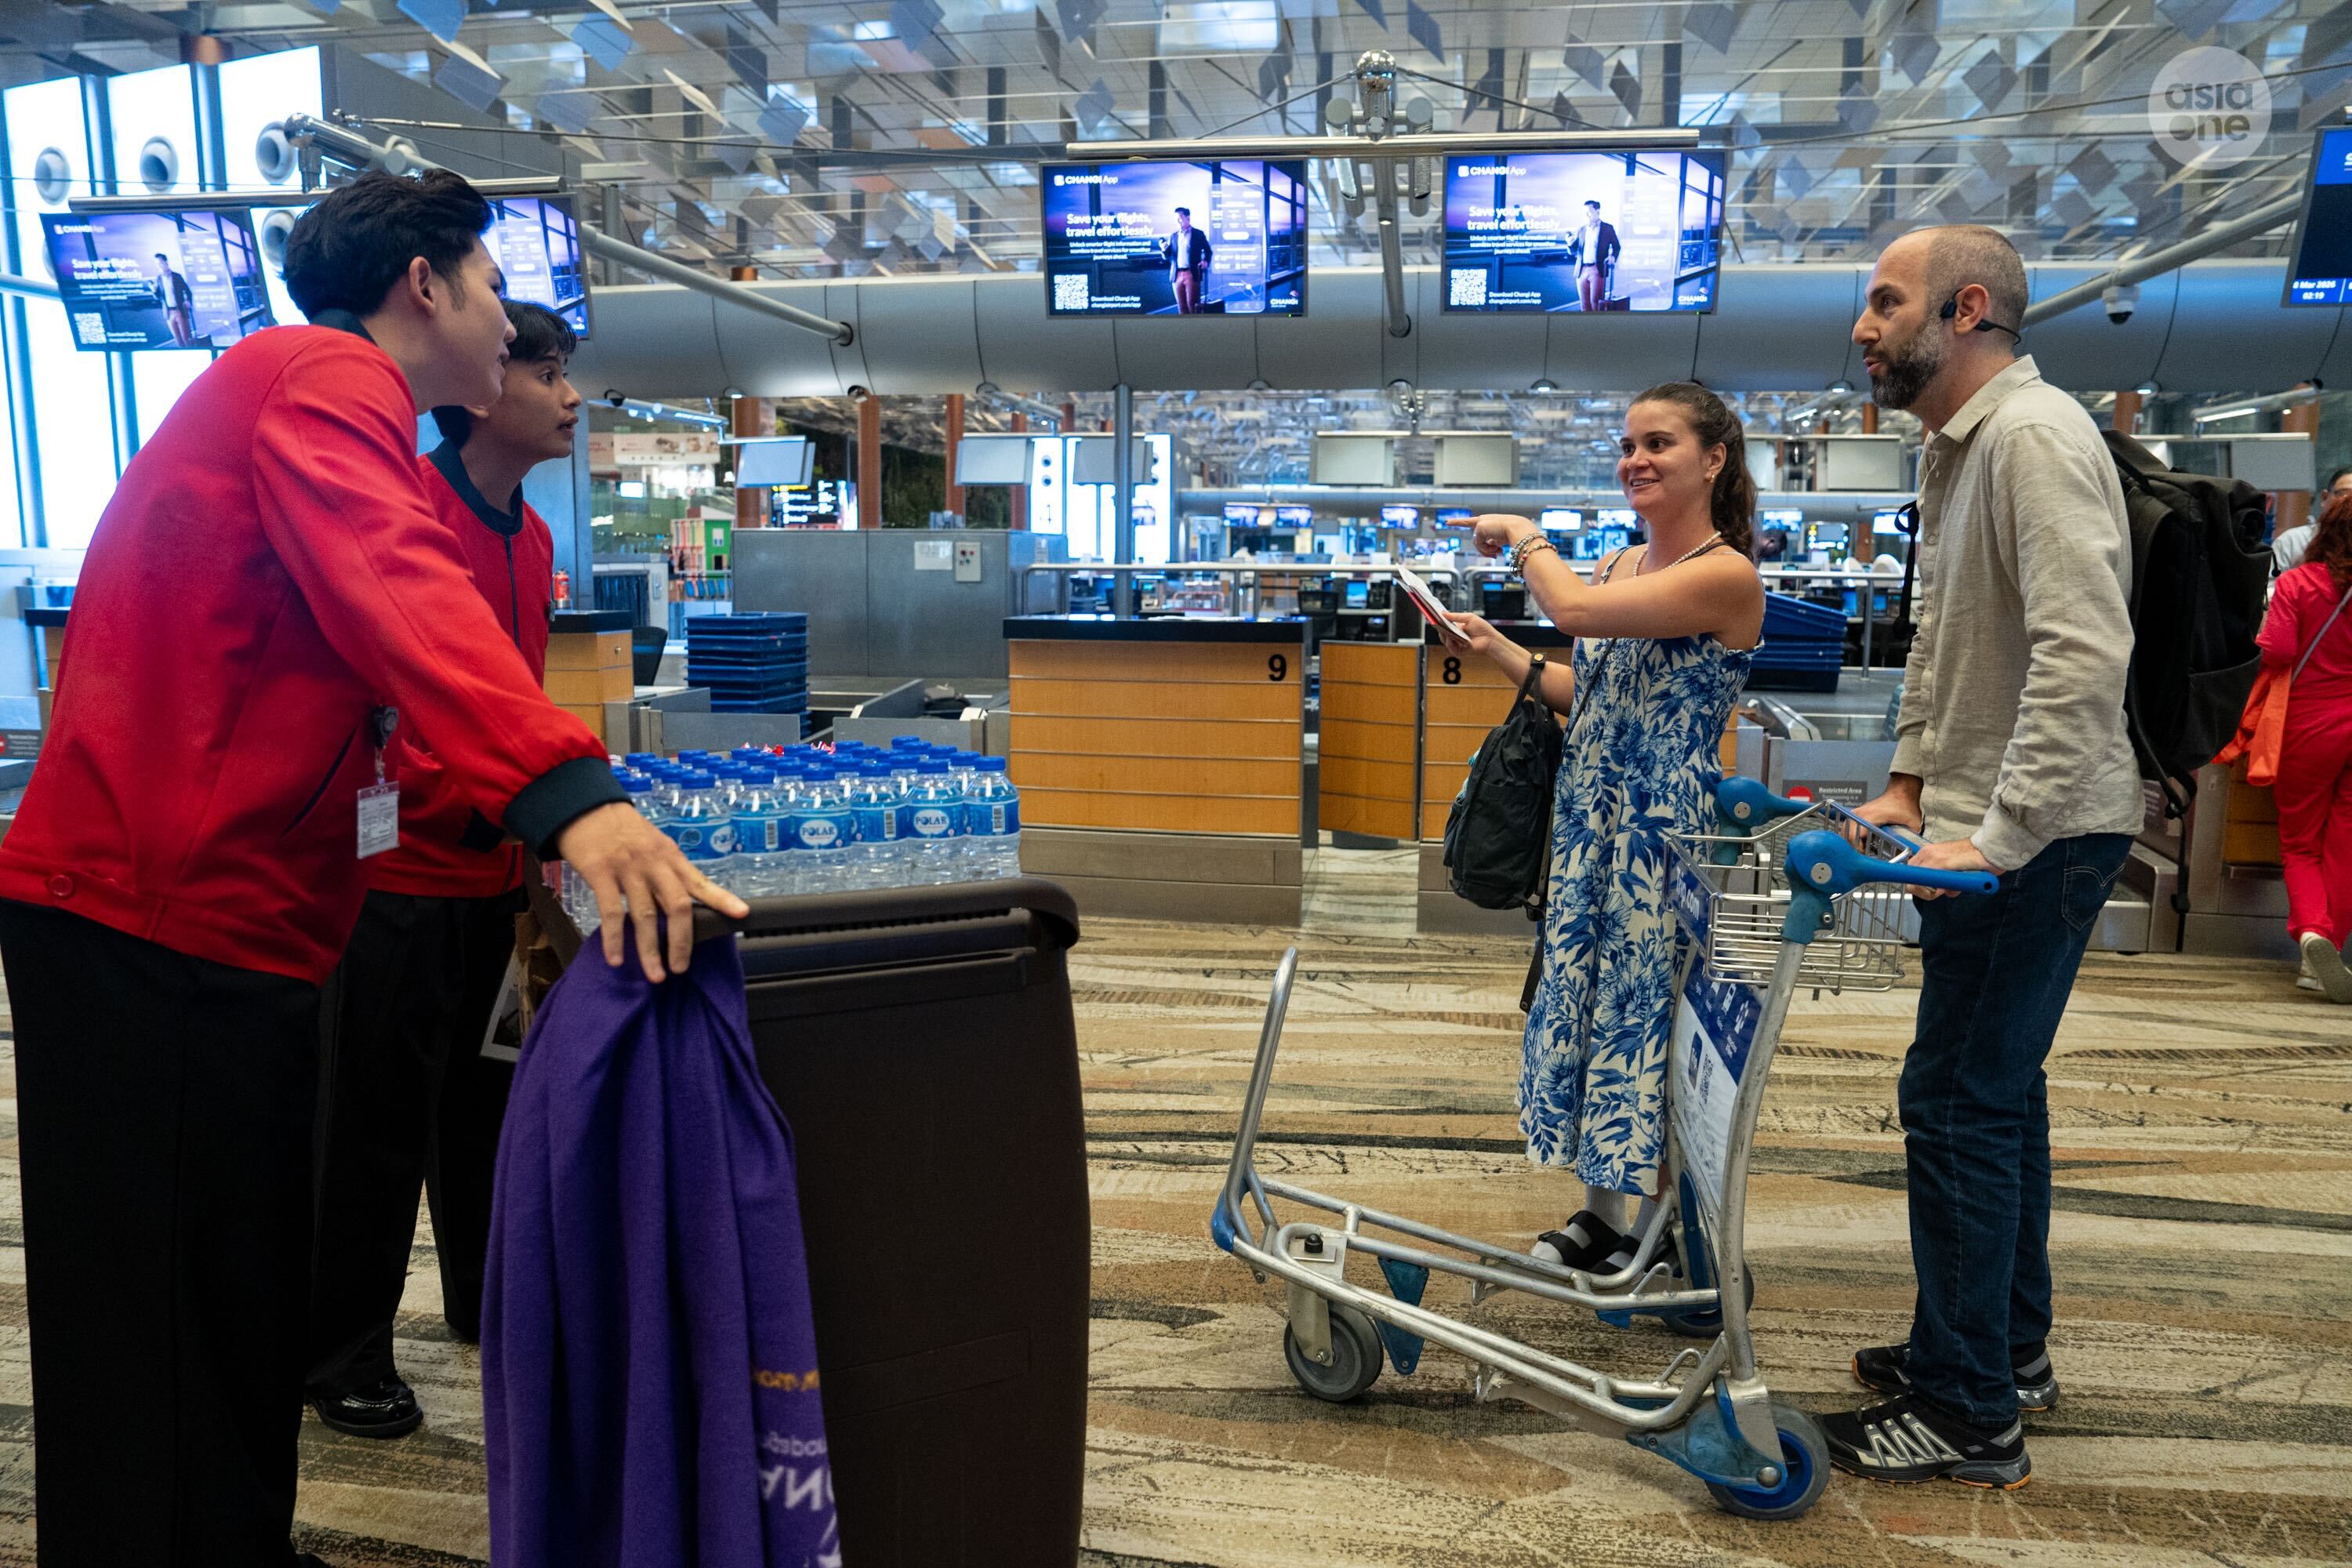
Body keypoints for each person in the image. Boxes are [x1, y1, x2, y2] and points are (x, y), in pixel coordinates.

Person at [0, 170, 743, 1566]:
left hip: (237, 921)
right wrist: (572, 800)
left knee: (231, 1289)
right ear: (427, 286)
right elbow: (405, 593)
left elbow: (371, 667)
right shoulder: (318, 379)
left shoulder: (326, 409)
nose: (510, 332)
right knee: (159, 1308)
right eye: (489, 294)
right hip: (151, 919)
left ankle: (227, 1535)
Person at [1828, 223, 2139, 1490]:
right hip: (1978, 826)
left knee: (1952, 1098)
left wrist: (1997, 840)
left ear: (1963, 312)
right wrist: (1909, 782)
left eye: (1884, 302)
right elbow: (1943, 640)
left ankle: (1970, 1414)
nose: (1863, 326)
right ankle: (1998, 1348)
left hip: (2038, 837)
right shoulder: (1953, 453)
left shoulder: (2034, 439)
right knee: (1995, 1094)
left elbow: (2083, 656)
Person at [306, 298, 583, 1442]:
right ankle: (341, 1354)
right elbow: (389, 693)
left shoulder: (531, 535)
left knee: (494, 1113)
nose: (571, 396)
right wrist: (479, 796)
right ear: (485, 388)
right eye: (549, 372)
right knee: (371, 1126)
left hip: (493, 882)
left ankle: (485, 1304)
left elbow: (511, 696)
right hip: (398, 877)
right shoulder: (408, 506)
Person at [1441, 383, 1764, 1274]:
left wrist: (1525, 533)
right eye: (1627, 445)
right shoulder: (1623, 565)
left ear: (1713, 459)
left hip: (1661, 834)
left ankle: (1666, 1234)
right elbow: (1596, 696)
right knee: (1584, 1006)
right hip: (1592, 825)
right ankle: (1601, 1215)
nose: (1636, 459)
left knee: (1646, 1019)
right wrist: (1498, 651)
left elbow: (1574, 613)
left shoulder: (1724, 573)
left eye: (1658, 442)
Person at [2263, 489, 2352, 1001]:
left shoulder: (2298, 584)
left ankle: (2313, 933)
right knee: (2344, 839)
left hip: (2312, 723)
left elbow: (2276, 649)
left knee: (2300, 840)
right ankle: (2325, 957)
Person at [2273, 466, 2352, 577]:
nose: (2349, 502)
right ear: (2325, 498)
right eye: (2343, 494)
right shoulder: (2292, 541)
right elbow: (2271, 590)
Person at [1571, 199, 1620, 312]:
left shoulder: (1607, 228)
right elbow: (1574, 249)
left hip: (1597, 270)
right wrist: (1569, 244)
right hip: (1581, 270)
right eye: (1585, 213)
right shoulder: (1582, 229)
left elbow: (1617, 246)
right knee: (1584, 305)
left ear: (1597, 211)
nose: (1586, 215)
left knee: (1596, 303)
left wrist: (1613, 257)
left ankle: (1596, 327)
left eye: (1589, 212)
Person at [1163, 205, 1212, 314]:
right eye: (1175, 219)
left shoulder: (1198, 234)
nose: (1177, 221)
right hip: (1177, 274)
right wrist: (1164, 250)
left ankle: (1195, 329)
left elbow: (1208, 251)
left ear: (1188, 218)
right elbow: (1168, 257)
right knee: (1181, 307)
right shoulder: (1173, 236)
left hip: (1191, 273)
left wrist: (1206, 261)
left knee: (1192, 306)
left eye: (1180, 218)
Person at [153, 250, 194, 346]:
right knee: (178, 340)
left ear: (166, 262)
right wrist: (154, 291)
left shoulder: (176, 277)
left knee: (186, 339)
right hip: (168, 313)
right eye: (157, 264)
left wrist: (188, 301)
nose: (159, 266)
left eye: (160, 263)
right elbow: (158, 298)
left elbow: (188, 291)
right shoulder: (159, 279)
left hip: (179, 311)